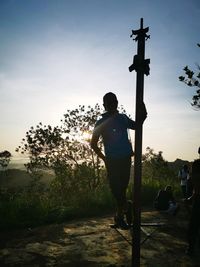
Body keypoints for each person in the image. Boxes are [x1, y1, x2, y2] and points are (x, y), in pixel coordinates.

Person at [90, 92, 147, 229]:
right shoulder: (101, 122)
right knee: (116, 190)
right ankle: (127, 207)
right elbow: (93, 143)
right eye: (109, 103)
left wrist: (143, 113)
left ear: (117, 103)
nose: (112, 105)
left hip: (125, 158)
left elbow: (137, 125)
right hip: (112, 161)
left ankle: (120, 217)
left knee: (121, 189)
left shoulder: (123, 118)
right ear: (104, 105)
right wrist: (104, 158)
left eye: (114, 102)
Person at [185, 159, 200, 256]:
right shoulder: (197, 165)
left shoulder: (196, 165)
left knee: (194, 226)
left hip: (198, 200)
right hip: (197, 198)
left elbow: (195, 188)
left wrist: (189, 198)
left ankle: (191, 248)